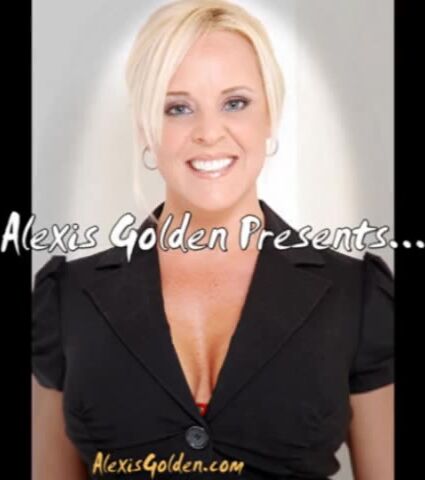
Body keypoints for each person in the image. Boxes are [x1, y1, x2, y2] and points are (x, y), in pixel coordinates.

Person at [32, 0, 394, 479]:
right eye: (178, 108)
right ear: (145, 127)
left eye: (235, 103)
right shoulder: (65, 299)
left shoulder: (359, 296)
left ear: (271, 115)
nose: (208, 132)